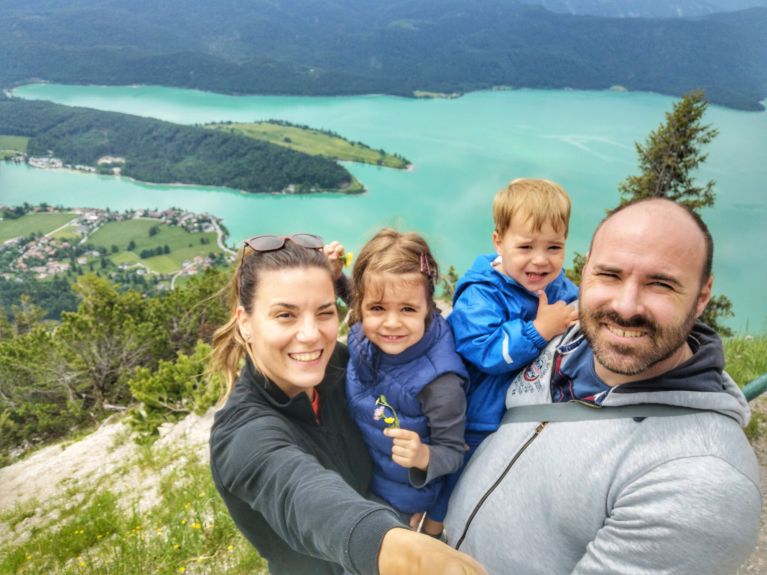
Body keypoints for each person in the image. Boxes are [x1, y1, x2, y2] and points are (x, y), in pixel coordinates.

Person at [444, 199, 761, 574]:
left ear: (702, 296)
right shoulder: (564, 337)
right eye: (609, 275)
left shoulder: (701, 481)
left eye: (660, 283)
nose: (626, 306)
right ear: (586, 271)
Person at [208, 233, 487, 575]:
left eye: (324, 312)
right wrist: (400, 549)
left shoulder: (341, 366)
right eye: (285, 315)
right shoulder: (243, 436)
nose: (311, 334)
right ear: (246, 323)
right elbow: (303, 495)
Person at [345, 229, 468, 538]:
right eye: (377, 308)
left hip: (401, 500)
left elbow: (453, 450)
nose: (391, 323)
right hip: (361, 472)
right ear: (360, 306)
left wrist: (423, 457)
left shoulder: (439, 382)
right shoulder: (364, 331)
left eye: (408, 309)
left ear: (429, 308)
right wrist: (336, 277)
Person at [448, 178, 579, 452]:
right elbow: (485, 350)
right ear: (499, 242)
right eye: (526, 247)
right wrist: (539, 330)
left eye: (554, 247)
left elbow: (578, 305)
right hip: (478, 422)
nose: (541, 260)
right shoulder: (481, 294)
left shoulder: (555, 284)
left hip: (527, 414)